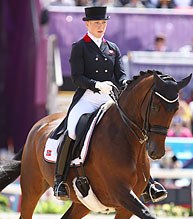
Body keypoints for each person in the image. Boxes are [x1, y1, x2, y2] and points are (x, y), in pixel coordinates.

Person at [53, 6, 168, 203]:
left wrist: (123, 84)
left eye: (103, 23)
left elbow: (121, 74)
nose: (100, 26)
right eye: (97, 23)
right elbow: (77, 77)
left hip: (109, 98)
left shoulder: (113, 48)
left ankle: (148, 182)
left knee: (135, 130)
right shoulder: (79, 46)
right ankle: (60, 181)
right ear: (88, 24)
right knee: (72, 130)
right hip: (87, 98)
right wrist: (96, 84)